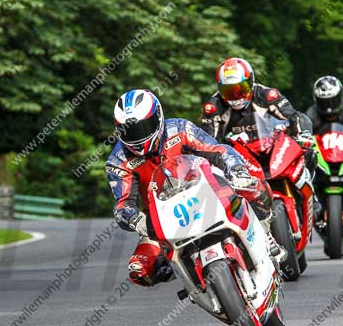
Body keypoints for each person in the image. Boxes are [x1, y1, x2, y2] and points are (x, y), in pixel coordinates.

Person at [106, 89, 279, 287]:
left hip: (206, 191)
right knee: (140, 270)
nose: (138, 136)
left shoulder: (180, 129)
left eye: (144, 127)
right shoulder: (119, 160)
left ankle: (266, 236)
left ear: (158, 117)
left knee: (256, 189)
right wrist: (137, 221)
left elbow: (217, 149)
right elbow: (122, 205)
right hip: (163, 218)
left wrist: (236, 169)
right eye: (129, 131)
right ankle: (187, 275)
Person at [200, 57, 315, 171]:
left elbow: (293, 116)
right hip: (238, 159)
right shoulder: (213, 107)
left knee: (309, 152)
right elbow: (209, 141)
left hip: (273, 148)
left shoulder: (267, 95)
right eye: (229, 91)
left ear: (250, 82)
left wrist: (302, 134)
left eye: (241, 89)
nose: (236, 96)